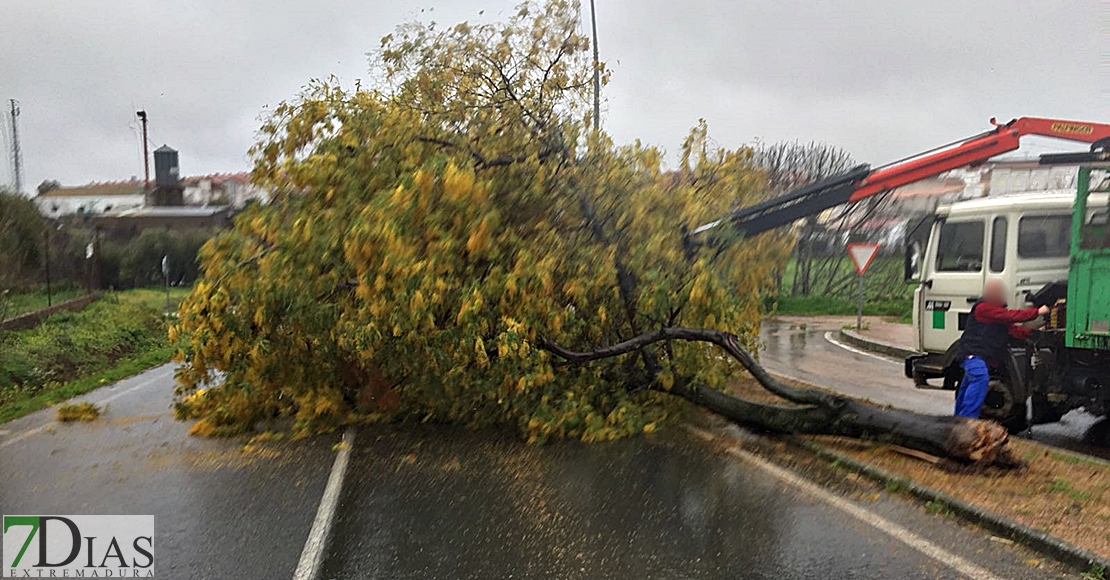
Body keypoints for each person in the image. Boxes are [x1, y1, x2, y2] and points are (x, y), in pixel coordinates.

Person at [954, 279, 1048, 419]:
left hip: (981, 355)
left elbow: (1012, 330)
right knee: (980, 378)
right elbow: (1011, 316)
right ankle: (967, 419)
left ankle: (957, 420)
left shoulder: (996, 312)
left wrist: (1035, 332)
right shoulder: (983, 308)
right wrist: (1037, 312)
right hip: (972, 353)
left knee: (967, 385)